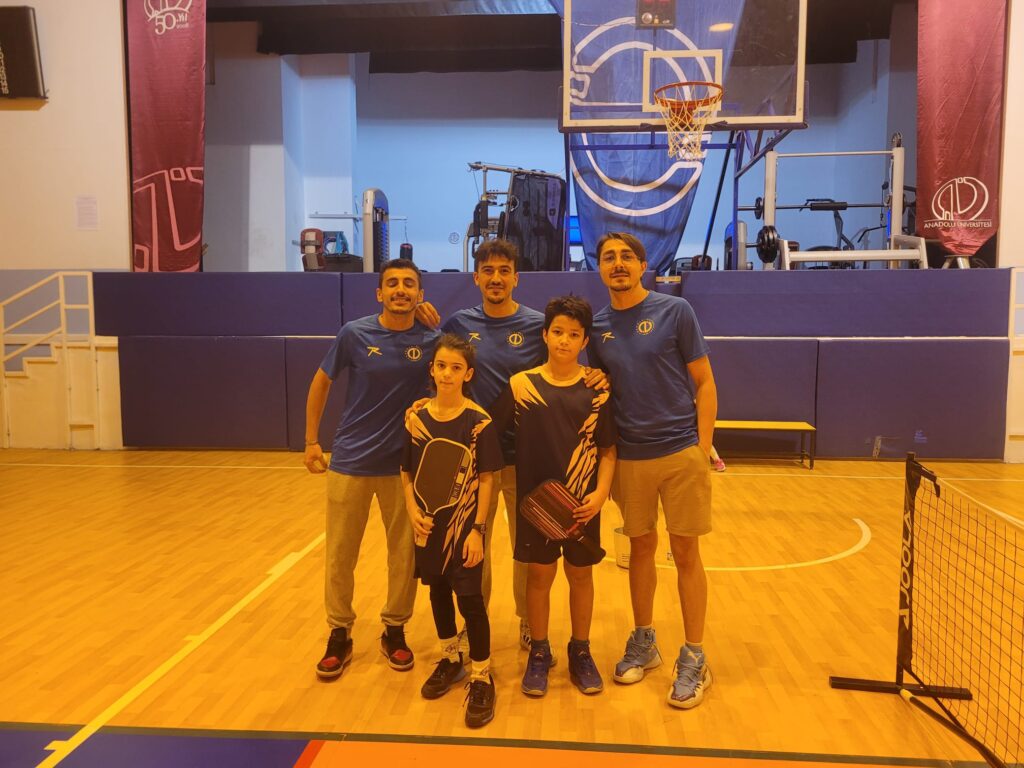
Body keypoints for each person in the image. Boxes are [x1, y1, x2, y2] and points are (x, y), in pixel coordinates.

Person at [437, 239, 608, 653]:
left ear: (516, 278)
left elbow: (567, 362)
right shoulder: (458, 323)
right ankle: (473, 620)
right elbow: (441, 369)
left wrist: (596, 376)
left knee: (527, 547)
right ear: (476, 277)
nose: (496, 278)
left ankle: (528, 621)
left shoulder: (536, 324)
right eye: (488, 271)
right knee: (472, 543)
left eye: (504, 271)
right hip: (476, 458)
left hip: (526, 458)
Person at [586, 232, 718, 710]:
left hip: (680, 452)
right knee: (639, 550)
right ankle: (644, 640)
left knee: (686, 553)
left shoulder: (675, 311)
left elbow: (704, 383)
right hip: (630, 458)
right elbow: (602, 389)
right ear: (600, 268)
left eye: (627, 256)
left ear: (643, 266)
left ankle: (695, 655)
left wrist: (701, 448)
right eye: (609, 257)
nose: (618, 264)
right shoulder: (596, 326)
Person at [304, 258, 440, 680]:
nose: (401, 290)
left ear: (420, 294)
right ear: (379, 293)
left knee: (403, 554)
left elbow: (455, 377)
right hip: (351, 462)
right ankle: (339, 633)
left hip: (405, 467)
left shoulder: (433, 340)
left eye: (409, 284)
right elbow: (321, 381)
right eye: (392, 283)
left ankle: (394, 629)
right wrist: (311, 441)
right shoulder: (354, 333)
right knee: (340, 554)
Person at [492, 296, 617, 698]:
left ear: (585, 341)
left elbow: (608, 450)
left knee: (581, 576)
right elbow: (485, 429)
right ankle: (539, 652)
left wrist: (600, 493)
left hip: (582, 505)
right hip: (537, 507)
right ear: (545, 335)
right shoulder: (521, 385)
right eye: (558, 332)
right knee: (539, 577)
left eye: (574, 334)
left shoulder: (596, 391)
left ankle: (580, 651)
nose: (564, 340)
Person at [401, 334, 503, 728]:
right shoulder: (417, 419)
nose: (447, 373)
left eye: (456, 367)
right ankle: (449, 658)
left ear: (468, 374)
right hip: (428, 525)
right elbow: (406, 471)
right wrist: (412, 511)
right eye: (441, 366)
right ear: (432, 369)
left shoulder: (479, 422)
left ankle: (481, 674)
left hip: (464, 529)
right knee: (438, 592)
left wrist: (478, 530)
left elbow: (488, 479)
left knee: (471, 601)